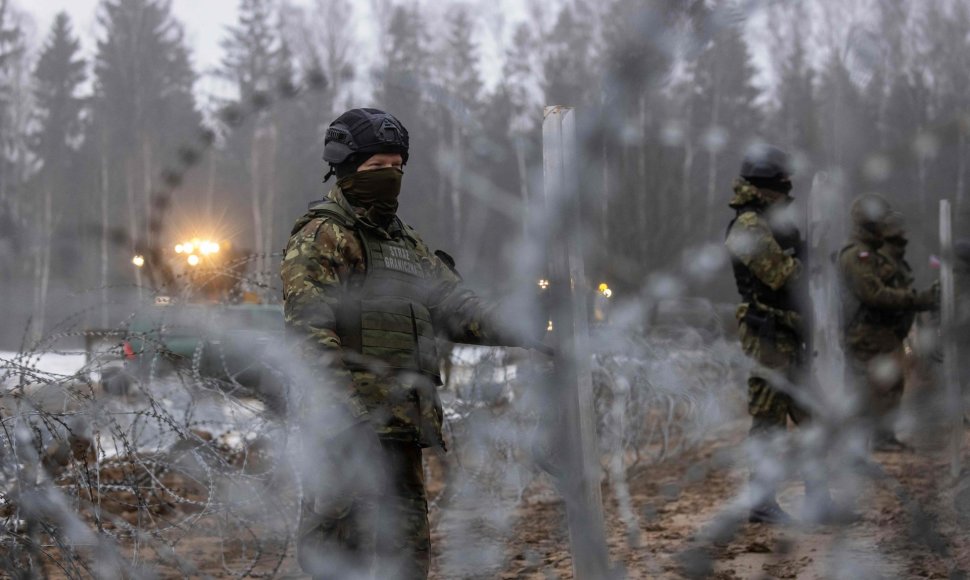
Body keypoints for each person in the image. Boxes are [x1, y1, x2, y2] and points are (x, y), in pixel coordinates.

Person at [280, 108, 536, 579]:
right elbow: (310, 335)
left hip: (400, 431)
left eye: (397, 167)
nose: (389, 177)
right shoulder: (324, 236)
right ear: (346, 167)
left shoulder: (406, 245)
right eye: (377, 168)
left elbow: (457, 307)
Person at [725, 144, 828, 524]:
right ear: (768, 184)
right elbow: (781, 274)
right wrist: (809, 261)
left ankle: (819, 499)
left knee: (812, 418)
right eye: (783, 184)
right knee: (768, 422)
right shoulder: (749, 225)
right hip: (767, 335)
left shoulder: (771, 223)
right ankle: (761, 501)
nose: (788, 192)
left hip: (787, 331)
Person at [838, 194, 938, 452]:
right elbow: (874, 294)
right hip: (865, 333)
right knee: (868, 388)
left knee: (889, 386)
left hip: (880, 333)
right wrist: (918, 299)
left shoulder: (870, 253)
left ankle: (882, 437)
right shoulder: (857, 255)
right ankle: (862, 444)